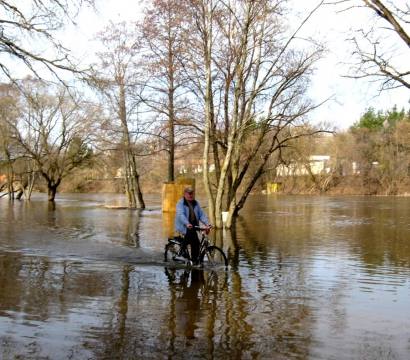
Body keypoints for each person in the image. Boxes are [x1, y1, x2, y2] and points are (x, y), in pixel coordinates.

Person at [175, 187, 211, 264]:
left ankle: (194, 261)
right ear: (185, 194)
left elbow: (201, 215)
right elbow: (181, 215)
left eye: (192, 193)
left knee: (196, 244)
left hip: (193, 225)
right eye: (189, 193)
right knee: (190, 236)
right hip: (184, 225)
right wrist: (187, 223)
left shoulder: (196, 203)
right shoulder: (180, 203)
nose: (191, 195)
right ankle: (180, 253)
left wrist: (207, 224)